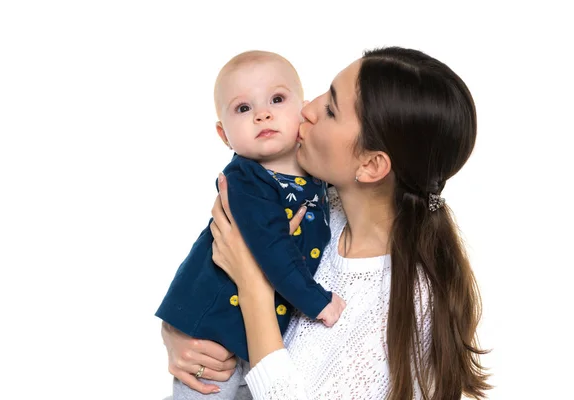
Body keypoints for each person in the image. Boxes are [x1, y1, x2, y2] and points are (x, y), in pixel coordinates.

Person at [162, 46, 491, 399]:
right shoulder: (309, 204)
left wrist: (253, 287)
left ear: (371, 165)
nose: (306, 110)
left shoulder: (404, 302)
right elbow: (208, 266)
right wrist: (181, 337)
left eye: (331, 110)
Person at [156, 50, 346, 399]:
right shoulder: (246, 181)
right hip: (213, 334)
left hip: (259, 340)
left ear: (302, 111)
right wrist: (317, 301)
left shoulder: (319, 176)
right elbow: (272, 249)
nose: (263, 114)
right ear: (223, 134)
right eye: (243, 108)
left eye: (276, 99)